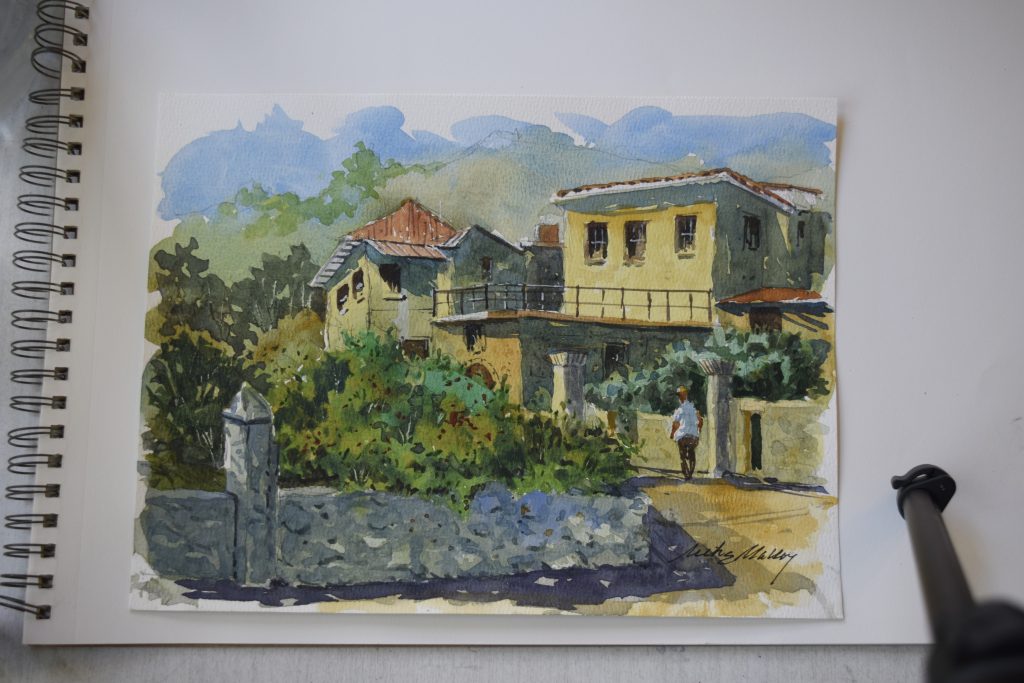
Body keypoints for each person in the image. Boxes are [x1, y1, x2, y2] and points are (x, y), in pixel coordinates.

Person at [670, 386, 703, 480]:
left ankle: (686, 474)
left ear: (681, 396)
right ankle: (690, 473)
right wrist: (699, 430)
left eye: (679, 395)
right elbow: (700, 421)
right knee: (692, 453)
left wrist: (672, 434)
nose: (679, 397)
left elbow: (675, 424)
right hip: (693, 436)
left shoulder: (679, 410)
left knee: (682, 455)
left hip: (682, 436)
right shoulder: (694, 409)